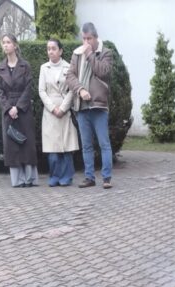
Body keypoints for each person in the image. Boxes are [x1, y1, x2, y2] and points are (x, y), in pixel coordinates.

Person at [66, 21, 113, 189]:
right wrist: (80, 90)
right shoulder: (76, 54)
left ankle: (106, 178)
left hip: (98, 106)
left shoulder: (106, 53)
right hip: (82, 106)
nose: (86, 42)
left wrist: (91, 55)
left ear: (96, 37)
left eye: (89, 39)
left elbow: (103, 71)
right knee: (86, 145)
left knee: (104, 144)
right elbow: (70, 76)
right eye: (84, 39)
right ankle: (89, 178)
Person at [0, 33, 38, 187]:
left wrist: (18, 107)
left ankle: (30, 178)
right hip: (8, 112)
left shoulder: (25, 66)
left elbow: (28, 88)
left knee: (27, 144)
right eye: (3, 42)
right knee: (12, 146)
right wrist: (8, 108)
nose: (5, 45)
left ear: (15, 45)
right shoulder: (0, 68)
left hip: (23, 109)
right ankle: (17, 180)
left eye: (8, 42)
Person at [38, 38, 78, 186]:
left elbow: (72, 90)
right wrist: (52, 108)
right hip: (50, 112)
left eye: (53, 48)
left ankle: (67, 177)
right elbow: (41, 90)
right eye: (48, 49)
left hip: (64, 110)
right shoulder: (44, 68)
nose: (51, 51)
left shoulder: (69, 67)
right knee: (52, 147)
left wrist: (62, 108)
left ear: (60, 51)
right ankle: (54, 176)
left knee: (66, 146)